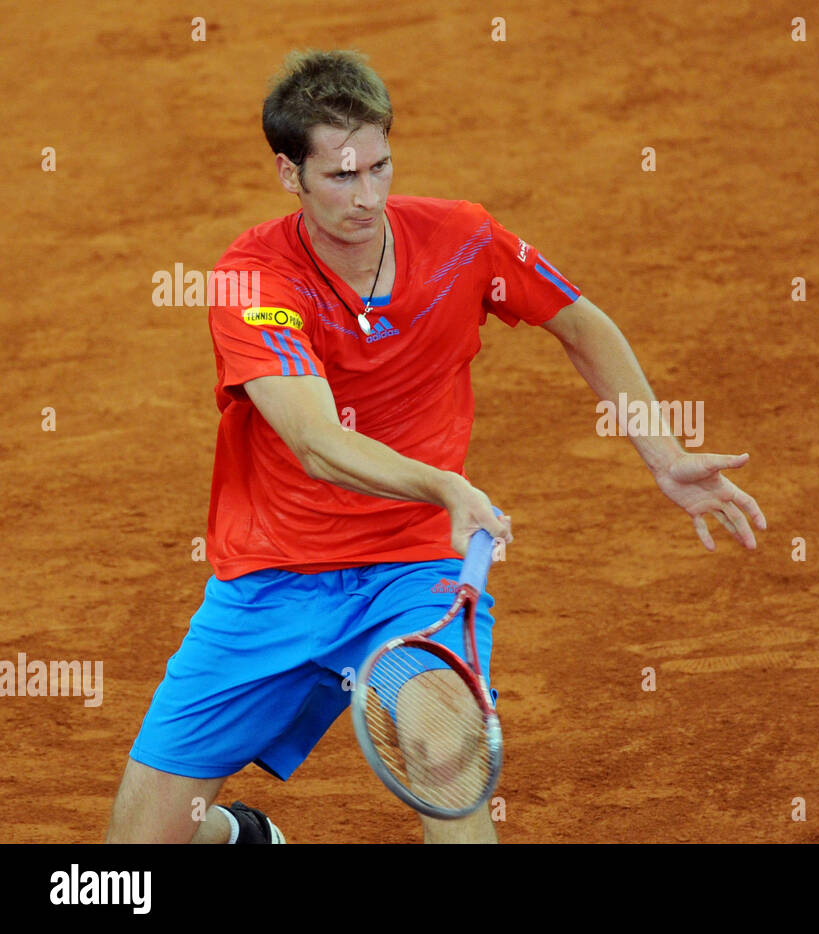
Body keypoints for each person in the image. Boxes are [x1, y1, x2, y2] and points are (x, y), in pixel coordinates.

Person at [106, 49, 765, 844]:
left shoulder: (460, 239)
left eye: (381, 167)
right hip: (270, 579)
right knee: (132, 862)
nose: (370, 196)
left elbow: (580, 321)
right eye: (342, 177)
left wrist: (664, 454)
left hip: (415, 569)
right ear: (290, 175)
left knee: (445, 761)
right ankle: (237, 837)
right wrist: (447, 488)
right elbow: (316, 442)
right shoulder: (253, 280)